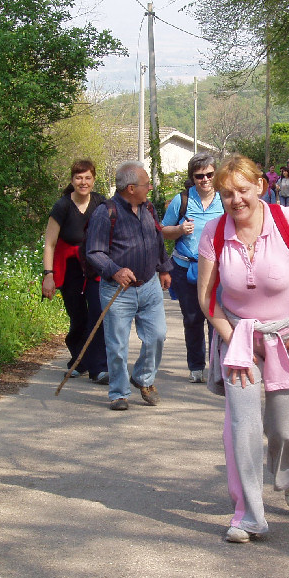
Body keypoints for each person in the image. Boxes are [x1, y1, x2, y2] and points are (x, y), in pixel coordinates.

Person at [197, 153, 289, 544]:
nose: (236, 200)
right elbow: (207, 298)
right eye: (227, 194)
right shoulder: (213, 232)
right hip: (239, 337)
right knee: (240, 427)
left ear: (260, 186)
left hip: (288, 336)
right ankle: (247, 515)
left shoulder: (287, 221)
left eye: (242, 190)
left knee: (283, 427)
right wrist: (233, 341)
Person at [85, 161, 172, 411]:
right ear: (131, 188)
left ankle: (143, 378)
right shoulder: (105, 213)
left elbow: (157, 239)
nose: (151, 188)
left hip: (150, 286)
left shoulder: (148, 208)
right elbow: (94, 252)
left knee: (157, 335)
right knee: (117, 344)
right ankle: (119, 393)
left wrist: (164, 267)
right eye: (147, 184)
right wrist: (115, 270)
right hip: (117, 291)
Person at [41, 160, 109, 384]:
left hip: (94, 265)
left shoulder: (101, 202)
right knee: (78, 317)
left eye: (87, 178)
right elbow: (50, 243)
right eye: (79, 178)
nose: (83, 182)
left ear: (93, 179)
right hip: (69, 268)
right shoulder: (62, 206)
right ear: (72, 180)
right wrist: (48, 275)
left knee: (98, 313)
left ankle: (99, 367)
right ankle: (78, 360)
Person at [161, 152, 224, 383]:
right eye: (199, 176)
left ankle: (217, 368)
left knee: (216, 320)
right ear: (192, 177)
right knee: (192, 319)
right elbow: (163, 230)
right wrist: (179, 230)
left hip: (217, 270)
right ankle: (196, 367)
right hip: (186, 269)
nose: (205, 180)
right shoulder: (182, 200)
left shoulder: (224, 199)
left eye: (209, 174)